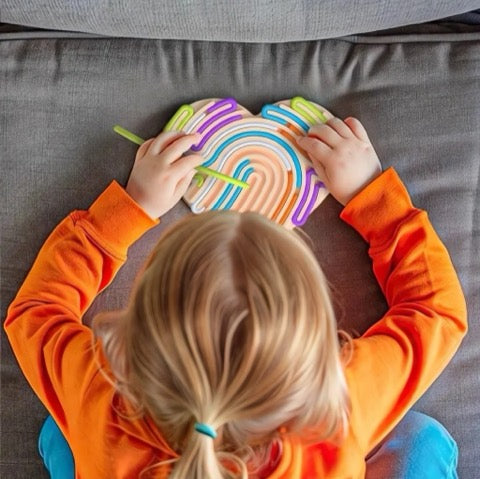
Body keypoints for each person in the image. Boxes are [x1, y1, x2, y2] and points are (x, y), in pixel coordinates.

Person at [4, 116, 467, 478]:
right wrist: (372, 198)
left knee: (61, 430)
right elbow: (435, 309)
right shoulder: (342, 404)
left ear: (136, 334)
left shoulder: (100, 392)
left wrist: (133, 207)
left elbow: (37, 310)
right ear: (320, 348)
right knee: (420, 437)